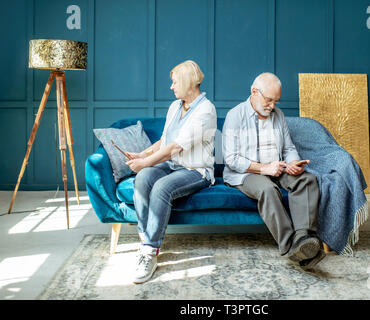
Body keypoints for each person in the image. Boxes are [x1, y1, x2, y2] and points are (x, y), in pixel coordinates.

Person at [125, 60, 217, 284]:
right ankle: (145, 237)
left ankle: (149, 251)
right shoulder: (175, 106)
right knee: (144, 177)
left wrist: (147, 161)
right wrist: (142, 155)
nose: (171, 87)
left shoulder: (206, 110)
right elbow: (165, 141)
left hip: (196, 170)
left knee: (161, 187)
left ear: (187, 82)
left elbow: (175, 147)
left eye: (175, 82)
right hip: (172, 165)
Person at [222, 72, 324, 269]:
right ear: (254, 92)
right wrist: (264, 168)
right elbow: (231, 159)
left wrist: (293, 163)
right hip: (247, 173)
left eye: (276, 101)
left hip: (277, 166)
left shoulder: (278, 115)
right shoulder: (235, 115)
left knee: (307, 179)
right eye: (269, 100)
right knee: (268, 190)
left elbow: (288, 148)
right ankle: (291, 247)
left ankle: (304, 237)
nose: (272, 106)